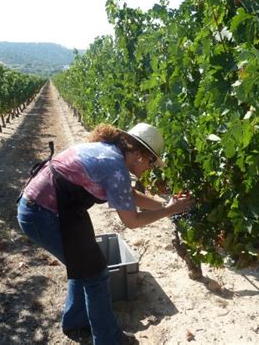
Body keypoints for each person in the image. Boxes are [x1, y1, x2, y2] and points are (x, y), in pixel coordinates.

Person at [16, 122, 194, 344]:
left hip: (58, 209)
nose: (150, 167)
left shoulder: (112, 154)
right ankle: (109, 340)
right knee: (95, 275)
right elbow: (132, 221)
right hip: (43, 215)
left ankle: (75, 323)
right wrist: (169, 210)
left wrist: (165, 205)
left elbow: (128, 195)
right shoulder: (115, 166)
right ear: (138, 155)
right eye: (151, 161)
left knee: (84, 265)